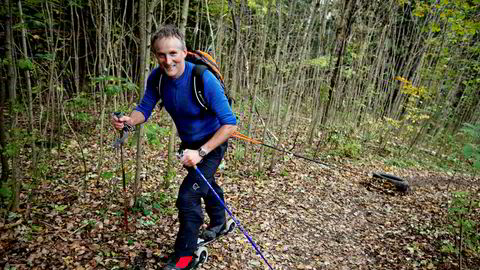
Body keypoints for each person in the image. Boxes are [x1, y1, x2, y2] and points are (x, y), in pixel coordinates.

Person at [111, 25, 237, 270]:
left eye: (173, 53)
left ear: (184, 52)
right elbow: (145, 108)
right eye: (161, 55)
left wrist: (201, 153)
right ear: (155, 55)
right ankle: (220, 222)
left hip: (212, 143)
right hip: (189, 144)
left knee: (188, 195)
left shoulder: (203, 78)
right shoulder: (157, 78)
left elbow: (230, 124)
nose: (167, 61)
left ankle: (185, 257)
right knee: (202, 182)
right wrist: (129, 120)